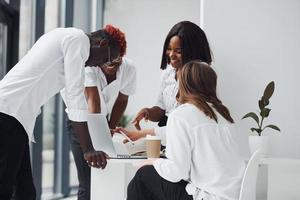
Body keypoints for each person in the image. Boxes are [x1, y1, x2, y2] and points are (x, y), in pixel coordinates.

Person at [0, 24, 125, 200]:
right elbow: (75, 96)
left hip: (15, 118)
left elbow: (69, 97)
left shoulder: (64, 37)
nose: (101, 65)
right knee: (4, 188)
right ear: (102, 44)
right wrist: (88, 149)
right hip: (8, 115)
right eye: (107, 59)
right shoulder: (78, 40)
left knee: (25, 192)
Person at [127, 60, 245, 200]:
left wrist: (152, 162)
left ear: (184, 85)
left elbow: (176, 172)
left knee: (143, 175)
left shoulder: (181, 114)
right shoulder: (223, 115)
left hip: (208, 197)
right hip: (233, 195)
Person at [116, 21, 212, 146]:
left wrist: (140, 134)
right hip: (166, 134)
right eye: (169, 49)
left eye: (178, 51)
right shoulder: (168, 73)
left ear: (193, 51)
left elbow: (186, 125)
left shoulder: (200, 76)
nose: (171, 54)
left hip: (182, 138)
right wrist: (148, 112)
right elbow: (162, 109)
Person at [68, 25, 136, 200]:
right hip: (80, 122)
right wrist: (97, 138)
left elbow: (122, 100)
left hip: (100, 121)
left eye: (116, 61)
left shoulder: (129, 68)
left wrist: (110, 129)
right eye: (108, 61)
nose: (112, 65)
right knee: (87, 181)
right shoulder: (90, 66)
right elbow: (93, 101)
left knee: (105, 177)